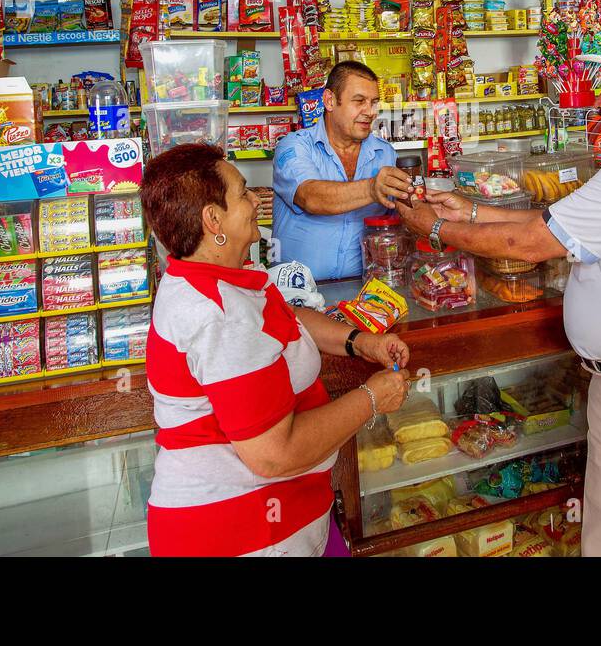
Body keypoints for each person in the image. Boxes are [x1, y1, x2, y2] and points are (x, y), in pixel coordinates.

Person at [396, 22, 601, 556]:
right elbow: (562, 223)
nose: (598, 103)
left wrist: (433, 229)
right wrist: (473, 209)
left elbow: (531, 244)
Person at [141, 143, 411, 557]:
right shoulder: (218, 314)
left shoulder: (228, 275)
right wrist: (372, 398)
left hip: (291, 521)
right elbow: (275, 455)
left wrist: (360, 341)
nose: (255, 200)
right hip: (241, 534)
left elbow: (288, 317)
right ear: (213, 219)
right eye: (243, 193)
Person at [272, 60, 413, 280]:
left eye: (374, 102)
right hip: (297, 294)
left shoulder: (385, 153)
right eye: (359, 101)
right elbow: (310, 196)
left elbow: (396, 220)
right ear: (329, 100)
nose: (370, 112)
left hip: (364, 290)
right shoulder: (294, 146)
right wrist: (371, 188)